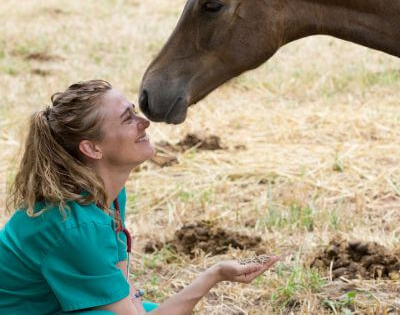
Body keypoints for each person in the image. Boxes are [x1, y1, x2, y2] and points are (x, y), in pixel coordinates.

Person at [0, 80, 279, 315]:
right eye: (128, 118)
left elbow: (128, 298)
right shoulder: (77, 225)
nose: (144, 122)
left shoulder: (107, 194)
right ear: (92, 148)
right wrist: (213, 275)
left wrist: (215, 274)